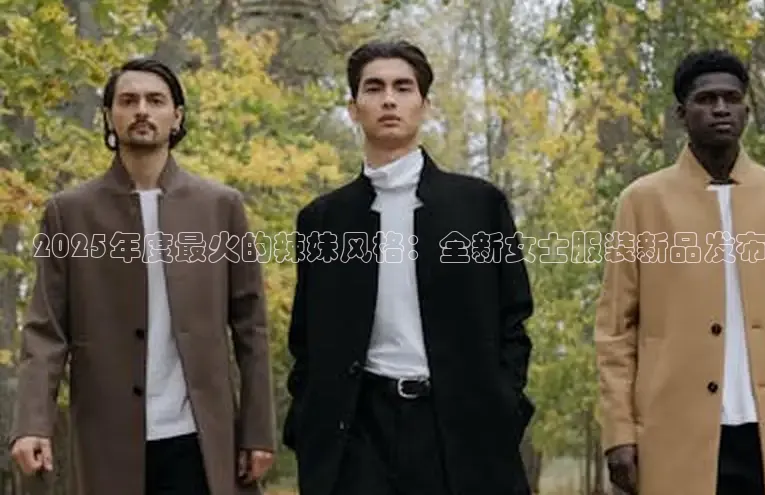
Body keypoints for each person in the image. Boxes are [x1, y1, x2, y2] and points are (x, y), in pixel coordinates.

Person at [9, 58, 277, 495]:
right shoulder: (70, 213)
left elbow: (252, 326)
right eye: (128, 100)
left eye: (155, 100)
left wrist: (257, 430)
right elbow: (45, 329)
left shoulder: (219, 207)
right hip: (107, 437)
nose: (141, 111)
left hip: (200, 438)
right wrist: (31, 423)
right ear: (109, 116)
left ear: (177, 116)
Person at [282, 40, 536, 495]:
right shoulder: (323, 219)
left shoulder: (477, 206)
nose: (389, 100)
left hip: (458, 431)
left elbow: (513, 316)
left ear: (424, 105)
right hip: (357, 435)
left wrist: (502, 404)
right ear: (353, 108)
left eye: (403, 88)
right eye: (373, 88)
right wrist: (307, 422)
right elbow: (305, 336)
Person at [595, 48, 765, 495]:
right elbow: (615, 330)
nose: (721, 109)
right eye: (706, 99)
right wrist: (618, 432)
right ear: (681, 114)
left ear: (747, 110)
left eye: (732, 98)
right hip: (675, 433)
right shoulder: (643, 202)